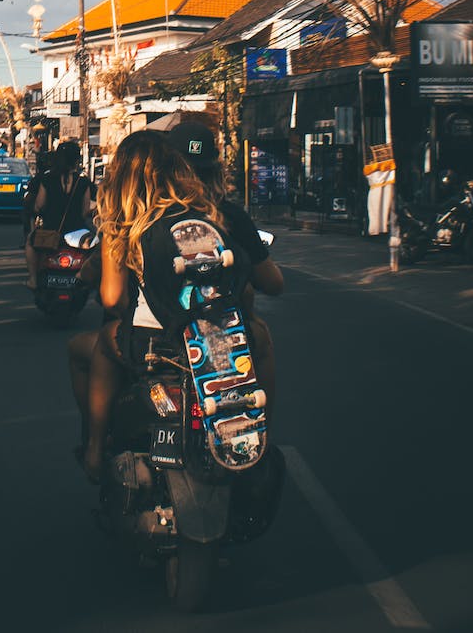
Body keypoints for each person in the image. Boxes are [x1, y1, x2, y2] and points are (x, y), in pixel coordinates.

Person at [68, 127, 283, 483]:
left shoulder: (123, 223)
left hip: (152, 347)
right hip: (213, 346)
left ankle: (94, 450)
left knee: (96, 347)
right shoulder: (209, 215)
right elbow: (263, 283)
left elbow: (111, 299)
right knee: (260, 336)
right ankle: (261, 441)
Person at [24, 140, 96, 290]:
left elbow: (39, 206)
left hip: (51, 230)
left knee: (30, 243)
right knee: (96, 248)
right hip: (78, 232)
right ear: (76, 160)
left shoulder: (47, 179)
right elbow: (84, 211)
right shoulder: (82, 182)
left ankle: (33, 279)